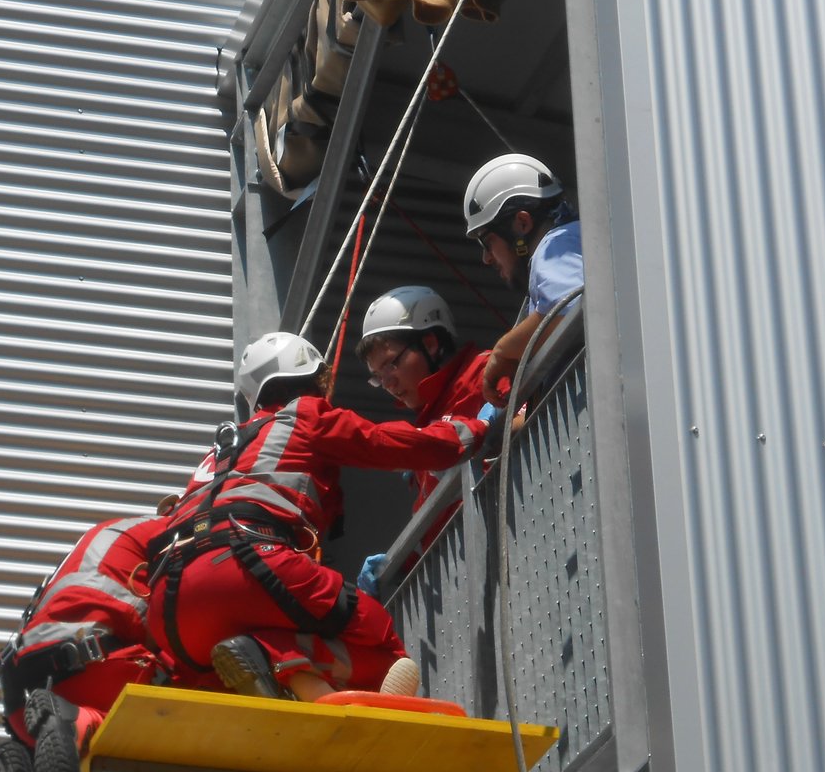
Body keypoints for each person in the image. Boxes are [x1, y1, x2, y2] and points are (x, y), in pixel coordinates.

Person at [146, 331, 488, 703]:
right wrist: (473, 430)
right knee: (381, 648)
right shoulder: (304, 416)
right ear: (309, 382)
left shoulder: (216, 456)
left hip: (170, 606)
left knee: (228, 676)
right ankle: (275, 657)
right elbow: (388, 444)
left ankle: (279, 671)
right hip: (248, 563)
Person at [0, 512, 169, 772]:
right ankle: (76, 723)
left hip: (36, 673)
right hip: (100, 658)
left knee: (64, 746)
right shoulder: (176, 531)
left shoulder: (103, 535)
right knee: (178, 688)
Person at [353, 285, 494, 595]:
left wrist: (491, 429)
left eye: (391, 364)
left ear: (430, 344)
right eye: (378, 376)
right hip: (466, 581)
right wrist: (400, 562)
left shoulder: (485, 373)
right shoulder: (427, 429)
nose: (387, 384)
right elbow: (434, 523)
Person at [463, 153, 584, 404]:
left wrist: (503, 350)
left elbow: (573, 307)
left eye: (487, 242)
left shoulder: (555, 245)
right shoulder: (574, 238)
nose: (486, 258)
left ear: (522, 223)